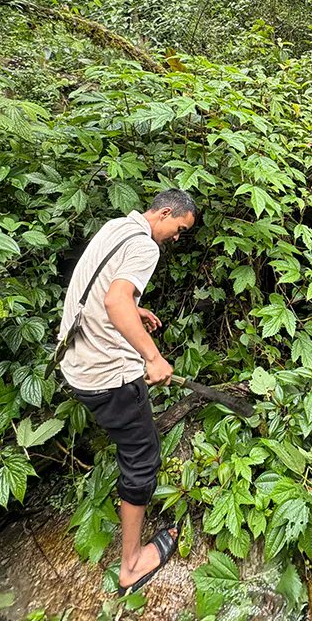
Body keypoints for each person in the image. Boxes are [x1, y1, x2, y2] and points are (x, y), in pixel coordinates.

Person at [57, 189, 197, 595]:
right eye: (179, 228)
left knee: (132, 448)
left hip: (76, 364)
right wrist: (153, 358)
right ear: (165, 212)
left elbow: (98, 287)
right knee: (142, 458)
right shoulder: (146, 248)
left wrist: (133, 310)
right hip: (109, 376)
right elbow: (115, 300)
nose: (176, 237)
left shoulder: (116, 227)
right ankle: (131, 565)